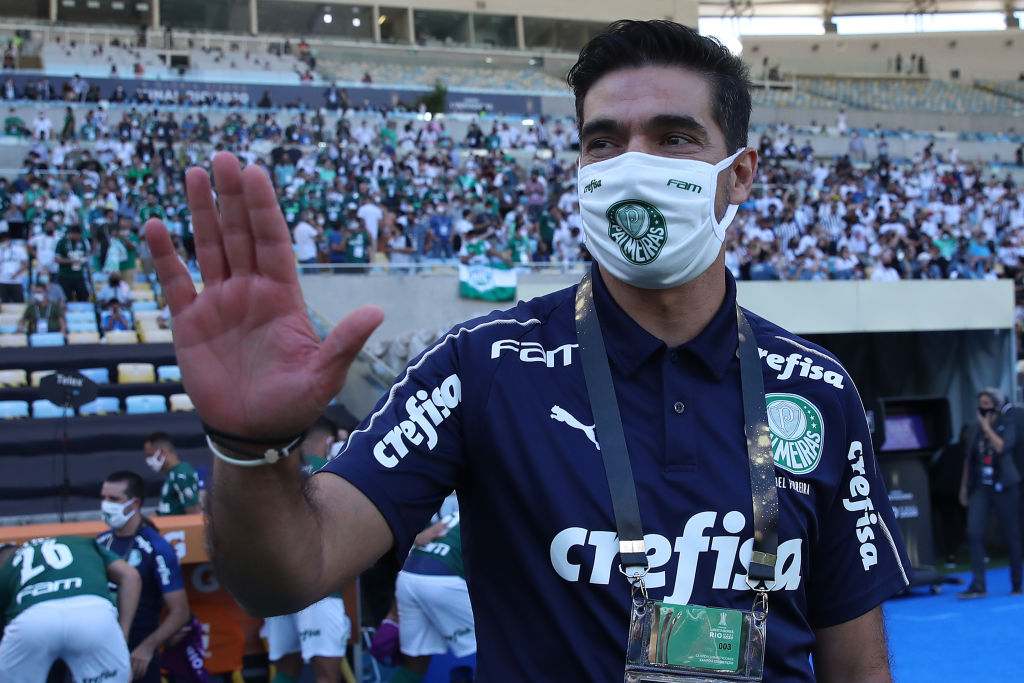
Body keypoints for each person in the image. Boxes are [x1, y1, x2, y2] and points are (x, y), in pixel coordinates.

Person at [146, 20, 910, 681]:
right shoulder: (481, 366)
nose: (631, 164)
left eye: (673, 137)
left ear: (738, 173)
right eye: (603, 142)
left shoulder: (819, 390)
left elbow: (858, 663)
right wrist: (249, 448)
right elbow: (291, 568)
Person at [98, 470, 208, 682]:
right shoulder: (101, 541)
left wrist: (147, 648)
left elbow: (180, 612)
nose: (105, 504)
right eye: (103, 498)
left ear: (135, 503)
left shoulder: (157, 547)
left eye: (113, 499)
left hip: (136, 651)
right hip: (100, 649)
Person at [264, 417, 351, 683]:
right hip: (318, 585)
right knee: (326, 675)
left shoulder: (273, 473)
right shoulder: (333, 472)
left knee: (286, 670)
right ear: (328, 442)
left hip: (274, 585)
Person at [0, 535, 141, 681]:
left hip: (33, 621)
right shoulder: (82, 542)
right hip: (93, 615)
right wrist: (121, 641)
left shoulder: (8, 567)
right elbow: (131, 576)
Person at [392, 512, 475, 682]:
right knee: (494, 648)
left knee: (415, 663)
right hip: (442, 580)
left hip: (408, 575)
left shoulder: (461, 511)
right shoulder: (501, 513)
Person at [957, 387, 1022, 598]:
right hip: (981, 487)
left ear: (996, 405)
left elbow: (1002, 447)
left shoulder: (1007, 425)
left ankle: (1017, 583)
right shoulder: (974, 428)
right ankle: (978, 585)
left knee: (1011, 535)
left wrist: (987, 428)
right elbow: (969, 459)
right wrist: (964, 488)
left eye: (987, 404)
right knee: (974, 532)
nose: (983, 409)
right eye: (980, 405)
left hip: (1005, 485)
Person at [144, 431, 202, 515]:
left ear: (163, 452)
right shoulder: (172, 473)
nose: (148, 460)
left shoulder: (181, 474)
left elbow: (194, 511)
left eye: (150, 455)